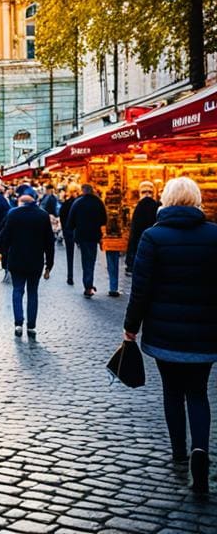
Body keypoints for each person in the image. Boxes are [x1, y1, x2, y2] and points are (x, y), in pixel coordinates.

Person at [124, 177, 217, 495]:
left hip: (164, 333)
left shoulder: (153, 237)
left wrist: (130, 328)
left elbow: (141, 289)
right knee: (199, 392)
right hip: (206, 332)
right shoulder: (214, 235)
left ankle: (179, 451)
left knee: (172, 392)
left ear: (166, 199)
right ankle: (200, 450)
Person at [0, 188, 55, 337]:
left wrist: (2, 252)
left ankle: (18, 323)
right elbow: (49, 242)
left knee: (17, 291)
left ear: (21, 202)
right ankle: (31, 325)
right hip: (36, 260)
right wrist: (49, 264)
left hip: (17, 259)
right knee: (33, 292)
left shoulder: (14, 214)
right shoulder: (43, 216)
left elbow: (5, 237)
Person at [67, 184, 107, 298]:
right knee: (91, 260)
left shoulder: (78, 202)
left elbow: (70, 221)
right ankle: (88, 284)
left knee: (85, 259)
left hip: (82, 235)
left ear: (83, 191)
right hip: (94, 235)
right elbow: (104, 219)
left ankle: (88, 285)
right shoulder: (98, 202)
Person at [126, 181, 160, 274]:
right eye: (144, 192)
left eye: (149, 192)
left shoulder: (140, 207)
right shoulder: (157, 206)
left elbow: (134, 233)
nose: (147, 195)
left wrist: (130, 261)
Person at [59, 185, 80, 284]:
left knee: (70, 254)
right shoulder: (80, 203)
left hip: (69, 231)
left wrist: (65, 230)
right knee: (86, 257)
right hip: (78, 231)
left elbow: (62, 216)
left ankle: (70, 276)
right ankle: (86, 279)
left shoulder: (66, 204)